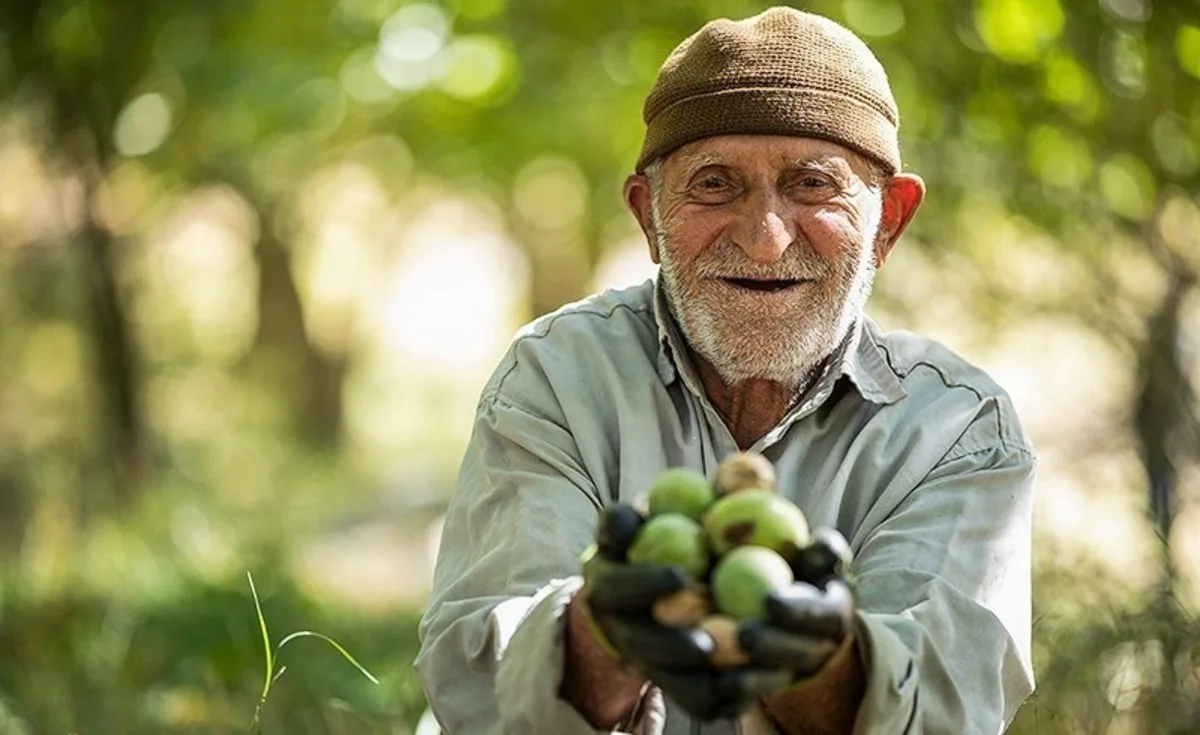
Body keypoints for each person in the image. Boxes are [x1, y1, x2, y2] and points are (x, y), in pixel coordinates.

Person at [415, 7, 1035, 734]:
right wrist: (599, 635)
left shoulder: (956, 428)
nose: (766, 239)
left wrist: (824, 668)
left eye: (811, 184)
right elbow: (478, 690)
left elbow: (946, 711)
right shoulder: (557, 377)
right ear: (649, 217)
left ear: (888, 222)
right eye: (714, 184)